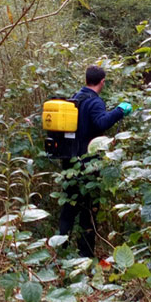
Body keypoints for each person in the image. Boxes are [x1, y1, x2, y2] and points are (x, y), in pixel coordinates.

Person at [57, 65, 133, 257]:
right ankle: (86, 255)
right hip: (88, 163)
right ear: (102, 82)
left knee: (69, 206)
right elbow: (101, 122)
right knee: (88, 211)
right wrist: (119, 111)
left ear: (86, 80)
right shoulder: (95, 102)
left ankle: (61, 251)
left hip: (70, 160)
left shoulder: (76, 98)